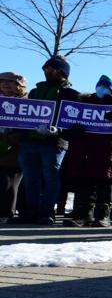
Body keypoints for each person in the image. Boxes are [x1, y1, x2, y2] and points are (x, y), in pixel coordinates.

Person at [16, 57, 80, 225]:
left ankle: (47, 213)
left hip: (54, 144)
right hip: (29, 141)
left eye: (53, 69)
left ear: (63, 72)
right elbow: (25, 114)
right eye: (46, 68)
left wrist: (58, 130)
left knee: (51, 179)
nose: (47, 71)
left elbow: (75, 121)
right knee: (30, 179)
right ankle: (30, 212)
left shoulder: (71, 94)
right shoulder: (35, 91)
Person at [62, 75, 112, 227]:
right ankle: (82, 215)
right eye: (100, 86)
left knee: (104, 185)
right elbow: (67, 125)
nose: (102, 90)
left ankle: (103, 215)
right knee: (84, 183)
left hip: (108, 151)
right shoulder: (84, 104)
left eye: (107, 87)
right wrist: (72, 132)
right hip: (85, 151)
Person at [0, 72, 28, 224]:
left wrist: (11, 138)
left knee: (9, 181)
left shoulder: (27, 103)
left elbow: (28, 126)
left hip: (16, 147)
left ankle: (6, 213)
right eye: (3, 81)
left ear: (20, 86)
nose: (5, 84)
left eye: (10, 82)